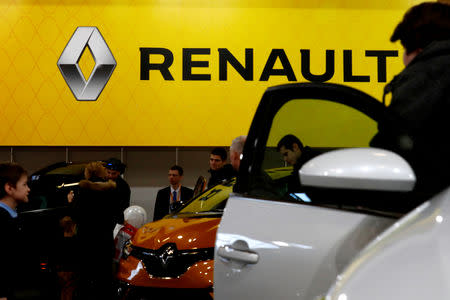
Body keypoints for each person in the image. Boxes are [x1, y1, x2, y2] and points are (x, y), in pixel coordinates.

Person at [370, 2, 450, 199]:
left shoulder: (427, 76)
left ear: (417, 48)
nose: (405, 62)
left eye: (406, 49)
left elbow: (391, 148)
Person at [73, 161, 117, 300]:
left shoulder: (83, 190)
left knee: (85, 275)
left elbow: (77, 215)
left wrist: (71, 202)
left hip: (86, 238)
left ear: (88, 173)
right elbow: (115, 215)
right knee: (104, 276)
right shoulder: (110, 190)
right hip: (104, 238)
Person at [0, 163, 30, 300]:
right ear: (9, 188)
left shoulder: (12, 215)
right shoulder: (3, 220)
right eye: (24, 185)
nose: (28, 189)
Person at [104, 158, 131, 225]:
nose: (110, 176)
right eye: (108, 172)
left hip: (116, 221)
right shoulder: (100, 182)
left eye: (113, 173)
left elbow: (124, 206)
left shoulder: (124, 186)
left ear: (119, 173)